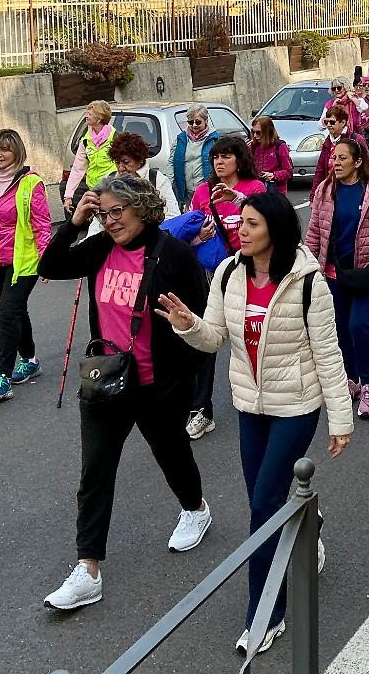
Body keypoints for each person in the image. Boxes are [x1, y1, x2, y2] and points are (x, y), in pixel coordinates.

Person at [158, 190, 352, 654]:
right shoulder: (229, 273)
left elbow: (328, 354)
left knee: (263, 508)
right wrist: (187, 323)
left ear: (275, 231)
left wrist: (340, 419)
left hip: (296, 406)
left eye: (252, 224)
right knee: (262, 498)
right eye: (240, 222)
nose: (240, 231)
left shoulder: (308, 282)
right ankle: (307, 521)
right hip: (250, 406)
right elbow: (213, 339)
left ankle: (266, 614)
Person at [40, 174, 211, 611]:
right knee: (95, 471)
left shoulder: (173, 254)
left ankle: (195, 509)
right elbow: (50, 267)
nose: (111, 221)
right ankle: (88, 569)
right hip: (107, 379)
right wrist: (75, 224)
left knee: (172, 454)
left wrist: (183, 381)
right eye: (104, 214)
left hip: (158, 385)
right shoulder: (100, 248)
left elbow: (201, 324)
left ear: (142, 208)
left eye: (118, 211)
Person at [305, 138, 369, 418]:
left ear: (358, 162)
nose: (335, 163)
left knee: (359, 325)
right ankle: (350, 379)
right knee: (340, 328)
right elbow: (315, 233)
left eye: (342, 158)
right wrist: (308, 269)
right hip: (335, 272)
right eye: (334, 158)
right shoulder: (325, 190)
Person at [185, 136, 268, 439]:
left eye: (226, 156)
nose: (219, 162)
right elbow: (188, 231)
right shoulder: (202, 192)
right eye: (216, 157)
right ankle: (201, 410)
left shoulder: (254, 188)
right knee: (206, 337)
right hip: (212, 276)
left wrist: (238, 201)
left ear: (240, 159)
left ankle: (260, 393)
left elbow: (269, 223)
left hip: (250, 273)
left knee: (250, 337)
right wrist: (198, 237)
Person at [0, 129, 51, 400]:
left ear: (17, 152)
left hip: (24, 262)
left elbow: (42, 225)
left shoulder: (31, 183)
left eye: (5, 149)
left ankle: (2, 378)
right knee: (16, 310)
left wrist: (46, 260)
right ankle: (30, 360)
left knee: (7, 314)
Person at [101, 131, 180, 234]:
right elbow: (99, 221)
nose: (120, 168)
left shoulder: (157, 180)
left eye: (126, 162)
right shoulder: (109, 180)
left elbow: (173, 217)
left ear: (140, 159)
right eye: (117, 162)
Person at [63, 100, 117, 214]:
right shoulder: (86, 141)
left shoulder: (115, 138)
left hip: (112, 190)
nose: (86, 116)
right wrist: (68, 196)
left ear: (99, 118)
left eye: (89, 114)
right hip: (94, 191)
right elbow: (77, 169)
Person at [310, 104, 367, 202]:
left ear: (343, 122)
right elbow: (320, 170)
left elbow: (367, 166)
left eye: (332, 122)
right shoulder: (327, 142)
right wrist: (313, 197)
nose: (328, 125)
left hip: (353, 189)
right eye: (326, 122)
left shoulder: (356, 139)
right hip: (331, 190)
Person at [172, 104, 220, 208]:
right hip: (186, 192)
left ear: (206, 121)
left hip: (207, 189)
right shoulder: (181, 139)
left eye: (198, 122)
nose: (194, 125)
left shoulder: (215, 139)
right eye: (190, 122)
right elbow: (171, 162)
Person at [249, 115, 294, 194]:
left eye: (258, 133)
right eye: (253, 132)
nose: (255, 136)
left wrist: (273, 175)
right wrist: (246, 151)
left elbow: (288, 172)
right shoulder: (254, 146)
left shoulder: (280, 146)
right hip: (257, 190)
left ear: (267, 132)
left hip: (276, 191)